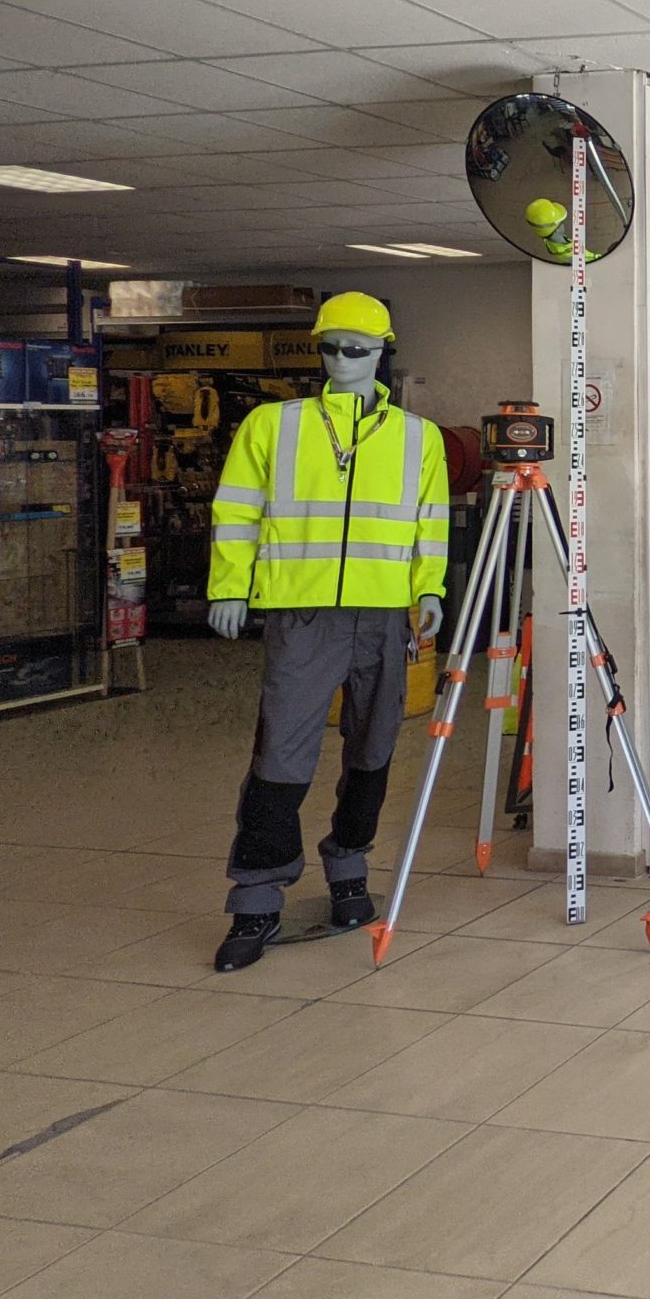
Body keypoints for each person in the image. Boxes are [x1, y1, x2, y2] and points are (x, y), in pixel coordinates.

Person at [206, 292, 448, 971]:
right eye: (331, 347)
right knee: (281, 756)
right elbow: (236, 513)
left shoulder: (415, 437)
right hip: (302, 615)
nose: (340, 361)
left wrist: (429, 590)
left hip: (382, 618)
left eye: (357, 349)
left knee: (372, 753)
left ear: (383, 355)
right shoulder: (272, 425)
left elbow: (431, 525)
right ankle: (255, 899)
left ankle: (349, 864)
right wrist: (229, 587)